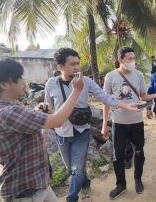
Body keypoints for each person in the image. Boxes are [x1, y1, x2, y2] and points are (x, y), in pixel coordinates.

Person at [44, 48, 138, 202]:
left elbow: (105, 97)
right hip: (61, 134)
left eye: (78, 64)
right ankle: (86, 181)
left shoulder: (86, 81)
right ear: (60, 67)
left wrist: (126, 105)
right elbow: (49, 108)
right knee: (72, 168)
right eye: (72, 64)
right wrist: (44, 120)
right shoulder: (51, 84)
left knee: (76, 170)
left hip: (81, 132)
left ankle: (71, 198)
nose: (77, 67)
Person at [0, 59, 84, 202]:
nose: (23, 81)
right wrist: (76, 90)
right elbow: (57, 121)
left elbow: (23, 123)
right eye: (19, 77)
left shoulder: (13, 106)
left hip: (38, 183)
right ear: (4, 84)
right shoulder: (7, 112)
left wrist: (36, 112)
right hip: (26, 192)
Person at [101, 46, 156, 199]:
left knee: (139, 153)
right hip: (119, 123)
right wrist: (104, 124)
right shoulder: (110, 77)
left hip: (136, 122)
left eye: (134, 58)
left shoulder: (139, 76)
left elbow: (143, 96)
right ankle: (121, 185)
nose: (133, 62)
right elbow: (106, 101)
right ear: (120, 59)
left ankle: (138, 179)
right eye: (130, 59)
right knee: (118, 156)